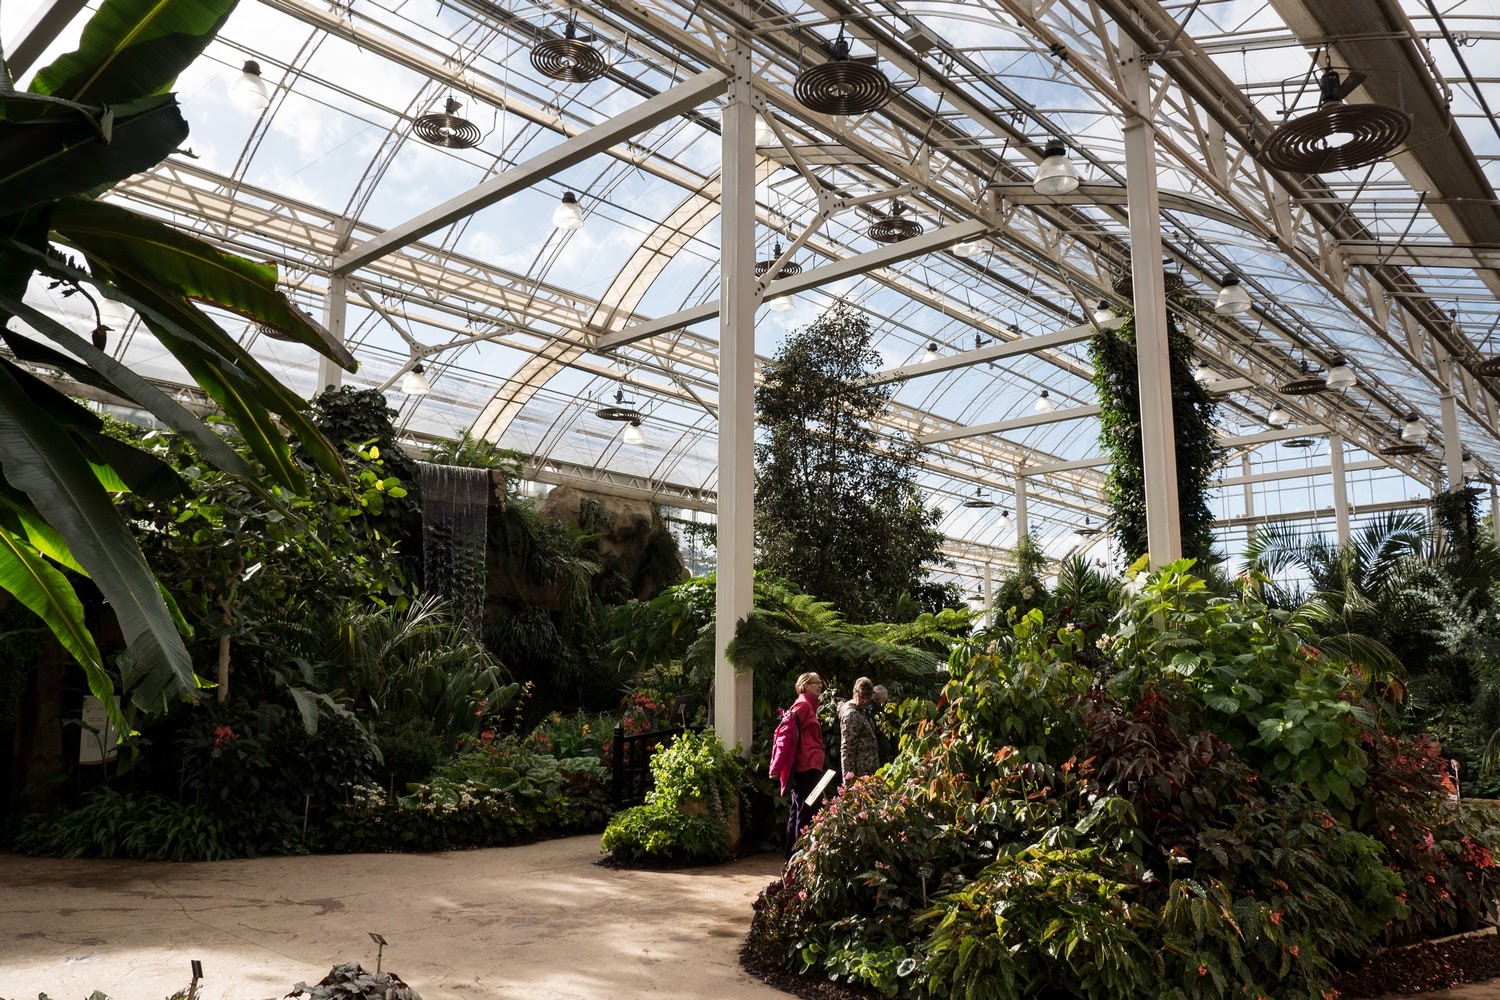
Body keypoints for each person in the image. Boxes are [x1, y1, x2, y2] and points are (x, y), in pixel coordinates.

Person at [785, 672, 827, 857]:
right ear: (805, 685)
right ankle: (799, 855)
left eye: (819, 682)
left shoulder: (809, 705)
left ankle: (791, 856)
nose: (820, 686)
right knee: (806, 810)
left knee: (799, 809)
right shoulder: (802, 704)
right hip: (806, 766)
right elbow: (787, 732)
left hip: (810, 764)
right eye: (816, 683)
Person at [839, 676, 880, 779]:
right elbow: (847, 748)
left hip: (868, 770)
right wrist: (848, 778)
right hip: (860, 773)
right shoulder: (852, 714)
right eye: (862, 697)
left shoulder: (861, 710)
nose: (865, 701)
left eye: (868, 698)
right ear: (855, 693)